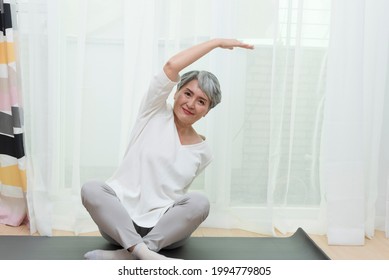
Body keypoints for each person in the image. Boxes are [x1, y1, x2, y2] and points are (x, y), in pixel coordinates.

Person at [81, 38, 254, 260]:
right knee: (92, 188)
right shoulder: (153, 112)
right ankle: (142, 254)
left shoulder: (204, 152)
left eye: (202, 101)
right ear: (176, 92)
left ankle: (129, 256)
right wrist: (216, 43)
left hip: (163, 231)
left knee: (200, 201)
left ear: (207, 111)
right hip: (120, 224)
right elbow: (172, 66)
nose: (191, 104)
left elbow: (177, 196)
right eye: (188, 93)